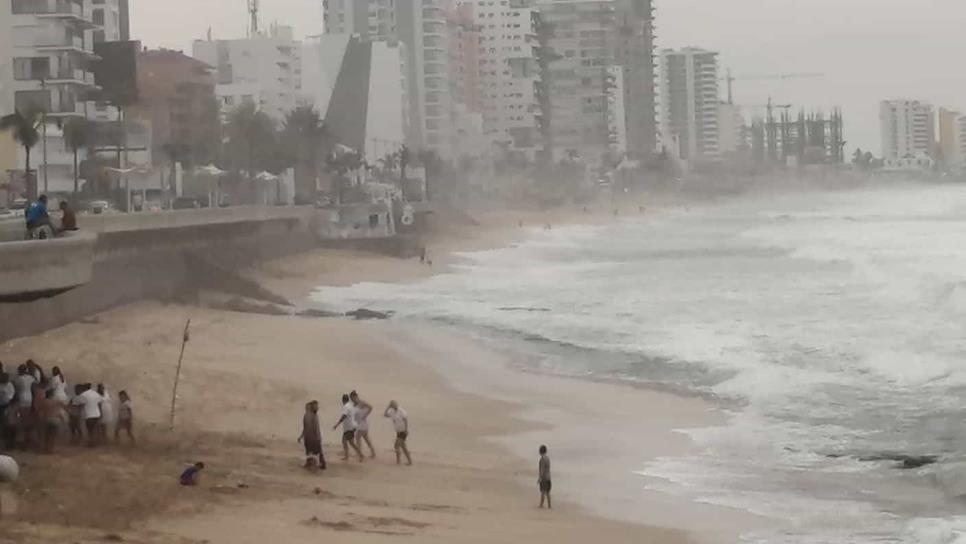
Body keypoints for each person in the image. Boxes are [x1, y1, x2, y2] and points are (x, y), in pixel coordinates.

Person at [333, 394, 363, 462]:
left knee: (349, 442)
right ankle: (348, 456)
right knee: (347, 441)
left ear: (343, 400)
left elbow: (344, 416)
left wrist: (337, 424)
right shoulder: (350, 405)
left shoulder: (346, 407)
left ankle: (360, 455)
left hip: (349, 427)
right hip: (352, 426)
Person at [297, 401, 325, 470]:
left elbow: (309, 428)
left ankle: (313, 465)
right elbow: (309, 428)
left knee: (312, 453)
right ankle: (313, 465)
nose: (317, 408)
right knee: (313, 453)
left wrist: (301, 437)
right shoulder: (312, 416)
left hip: (311, 438)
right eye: (315, 406)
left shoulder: (312, 415)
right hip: (312, 438)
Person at [384, 400, 411, 465]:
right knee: (403, 447)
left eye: (394, 404)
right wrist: (388, 407)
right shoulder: (392, 411)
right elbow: (385, 415)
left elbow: (405, 420)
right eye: (392, 405)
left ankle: (398, 460)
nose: (394, 405)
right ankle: (409, 461)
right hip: (398, 431)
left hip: (403, 431)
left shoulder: (401, 411)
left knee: (396, 445)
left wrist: (406, 430)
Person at [350, 391, 376, 459]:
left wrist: (365, 415)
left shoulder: (362, 402)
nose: (352, 400)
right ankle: (373, 452)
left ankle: (359, 453)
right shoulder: (354, 404)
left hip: (363, 423)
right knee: (366, 439)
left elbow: (371, 407)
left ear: (355, 397)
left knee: (358, 437)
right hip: (359, 423)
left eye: (352, 398)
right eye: (351, 399)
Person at [0, 373, 14, 448]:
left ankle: (7, 443)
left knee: (7, 424)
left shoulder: (9, 385)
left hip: (6, 405)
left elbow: (10, 396)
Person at [538, 445, 552, 509]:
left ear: (540, 451)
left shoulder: (542, 459)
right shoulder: (548, 458)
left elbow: (542, 469)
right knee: (548, 492)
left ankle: (541, 504)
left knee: (543, 491)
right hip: (549, 477)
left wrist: (540, 478)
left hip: (544, 478)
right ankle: (549, 505)